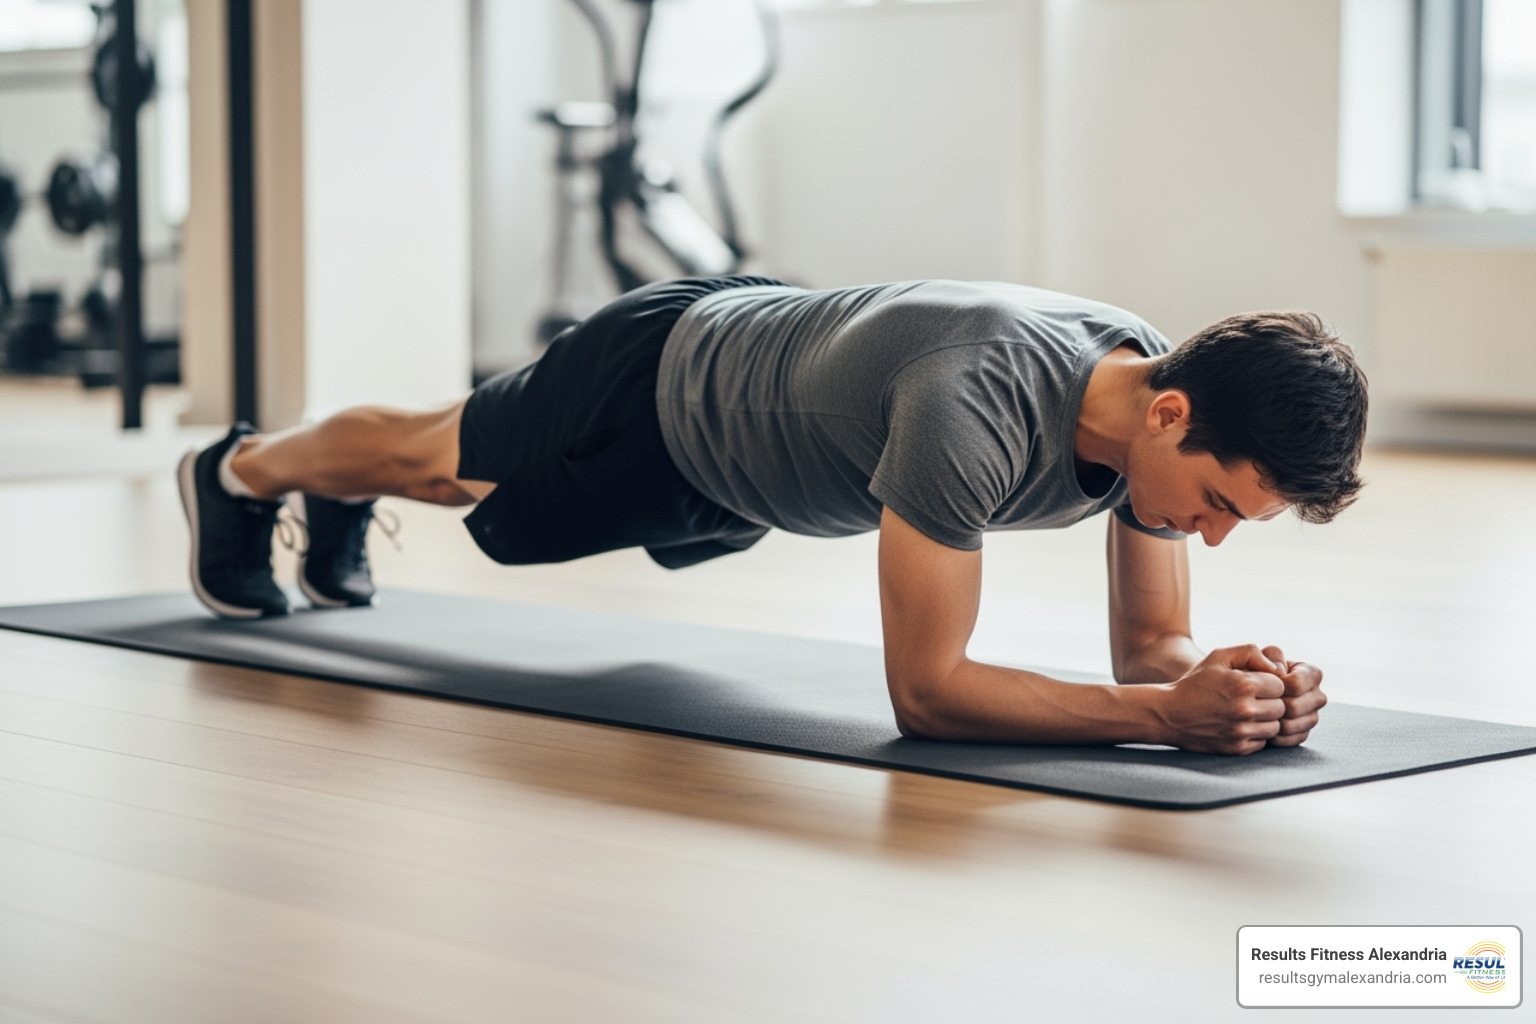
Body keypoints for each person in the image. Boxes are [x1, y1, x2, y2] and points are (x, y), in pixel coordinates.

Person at [178, 275, 1367, 755]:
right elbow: (928, 693)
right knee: (439, 461)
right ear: (1168, 414)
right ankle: (245, 472)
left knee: (440, 462)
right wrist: (1165, 717)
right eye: (1217, 506)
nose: (1208, 535)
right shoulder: (977, 402)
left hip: (754, 445)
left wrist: (1235, 687)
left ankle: (325, 492)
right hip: (661, 388)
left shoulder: (1157, 409)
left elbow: (1152, 655)